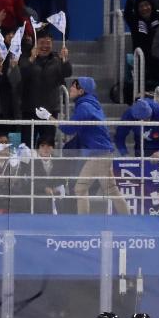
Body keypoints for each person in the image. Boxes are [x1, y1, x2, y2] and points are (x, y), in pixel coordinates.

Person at [60, 77, 130, 215]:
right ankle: (129, 220)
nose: (70, 89)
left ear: (82, 90)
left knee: (80, 189)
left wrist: (49, 117)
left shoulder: (85, 106)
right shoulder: (90, 104)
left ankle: (84, 223)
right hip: (103, 153)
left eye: (74, 87)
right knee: (111, 190)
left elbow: (68, 128)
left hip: (99, 154)